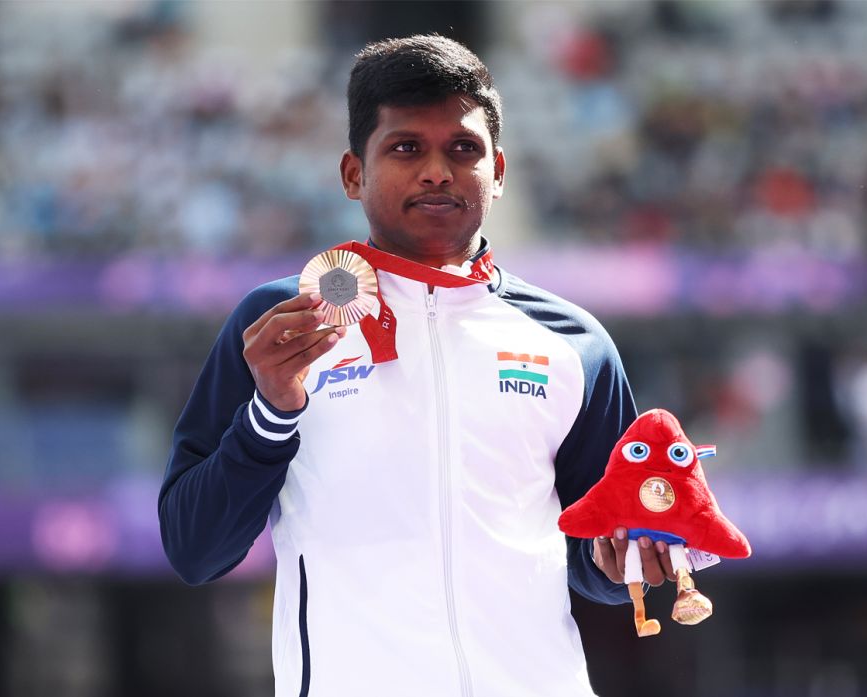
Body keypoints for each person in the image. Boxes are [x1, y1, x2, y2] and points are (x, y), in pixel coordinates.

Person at [159, 34, 674, 697]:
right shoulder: (280, 324)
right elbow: (195, 550)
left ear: (499, 170)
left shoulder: (575, 342)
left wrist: (623, 557)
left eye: (464, 149)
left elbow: (595, 558)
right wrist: (269, 414)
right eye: (406, 148)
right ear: (353, 173)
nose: (438, 171)